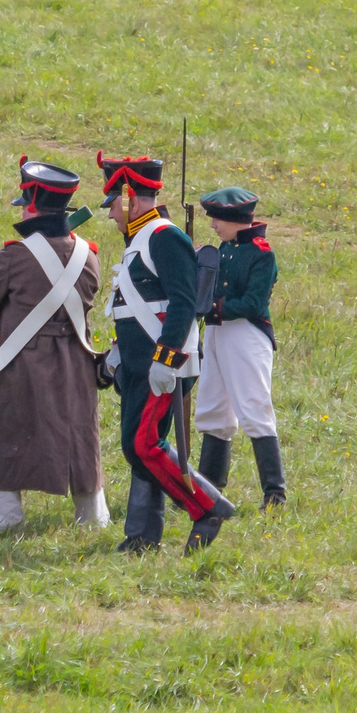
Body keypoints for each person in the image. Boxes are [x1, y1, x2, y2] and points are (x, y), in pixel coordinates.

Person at [97, 152, 233, 553]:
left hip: (161, 364)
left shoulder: (164, 236)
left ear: (130, 198)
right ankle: (142, 535)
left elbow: (182, 302)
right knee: (138, 447)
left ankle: (208, 507)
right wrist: (119, 352)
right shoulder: (140, 239)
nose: (110, 213)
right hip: (140, 363)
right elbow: (137, 308)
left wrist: (166, 359)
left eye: (113, 204)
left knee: (144, 446)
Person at [0, 160, 105, 533]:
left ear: (32, 204)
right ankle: (92, 519)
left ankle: (5, 522)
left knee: (2, 438)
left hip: (22, 366)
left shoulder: (15, 255)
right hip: (75, 366)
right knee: (80, 441)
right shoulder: (88, 256)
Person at [193, 186, 285, 506]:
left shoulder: (262, 253)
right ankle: (209, 488)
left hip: (246, 334)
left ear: (235, 219)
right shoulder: (223, 248)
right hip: (218, 333)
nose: (213, 225)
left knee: (254, 407)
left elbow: (252, 303)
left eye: (217, 219)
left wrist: (212, 308)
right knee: (213, 407)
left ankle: (274, 492)